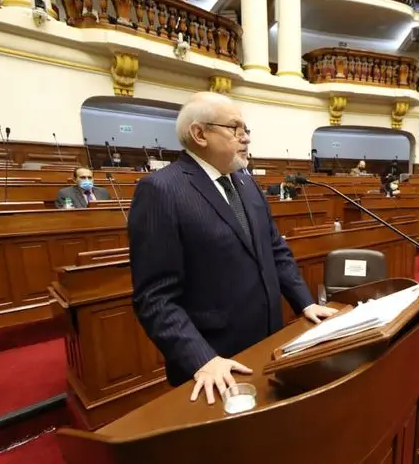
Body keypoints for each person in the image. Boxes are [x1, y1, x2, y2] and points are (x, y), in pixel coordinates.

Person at [128, 92, 336, 403]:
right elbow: (154, 297)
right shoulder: (161, 190)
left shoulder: (245, 182)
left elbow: (275, 249)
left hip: (269, 343)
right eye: (235, 129)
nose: (246, 138)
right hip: (215, 361)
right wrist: (201, 358)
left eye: (246, 129)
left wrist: (305, 303)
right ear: (200, 134)